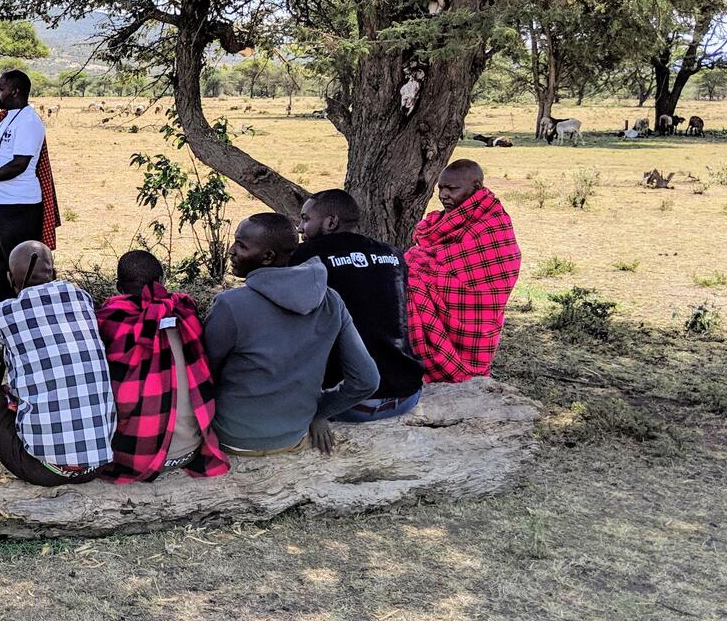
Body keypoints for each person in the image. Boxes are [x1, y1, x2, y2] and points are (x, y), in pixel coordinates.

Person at [0, 240, 115, 485]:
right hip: (97, 464)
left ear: (9, 277)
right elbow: (37, 343)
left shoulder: (7, 312)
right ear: (54, 274)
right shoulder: (80, 298)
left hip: (45, 470)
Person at [202, 213, 379, 456]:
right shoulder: (330, 300)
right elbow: (367, 380)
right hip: (295, 433)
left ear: (267, 257)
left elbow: (202, 374)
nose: (231, 250)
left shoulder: (230, 305)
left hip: (233, 436)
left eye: (241, 245)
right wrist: (318, 412)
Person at [96, 251, 228, 483]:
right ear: (162, 281)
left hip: (137, 459)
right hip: (191, 451)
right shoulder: (185, 312)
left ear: (118, 287)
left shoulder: (109, 320)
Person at [293, 189, 426, 421]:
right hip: (407, 395)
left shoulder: (307, 256)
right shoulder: (392, 253)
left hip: (349, 403)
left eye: (305, 219)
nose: (299, 228)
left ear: (331, 222)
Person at [404, 160, 522, 383]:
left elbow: (499, 270)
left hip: (477, 312)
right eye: (440, 188)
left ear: (476, 188)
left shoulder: (493, 223)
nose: (444, 195)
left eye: (452, 189)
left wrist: (417, 268)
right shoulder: (449, 220)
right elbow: (438, 256)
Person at [0, 69, 60, 303]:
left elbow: (18, 164)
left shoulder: (29, 121)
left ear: (16, 91)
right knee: (0, 263)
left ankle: (24, 318)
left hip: (19, 207)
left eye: (1, 89)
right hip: (0, 206)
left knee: (21, 269)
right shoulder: (5, 119)